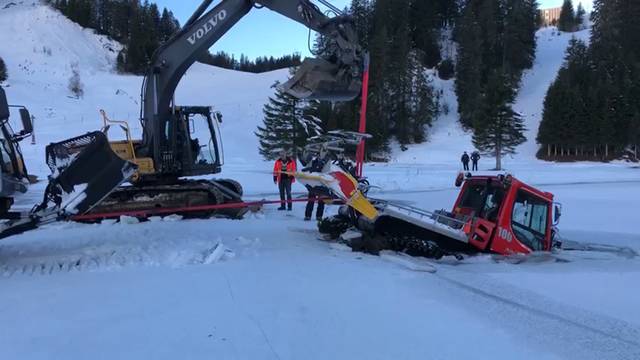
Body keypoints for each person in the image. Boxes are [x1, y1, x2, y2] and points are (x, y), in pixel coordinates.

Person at [302, 155, 326, 221]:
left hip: (322, 185)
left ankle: (319, 216)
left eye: (321, 155)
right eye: (318, 155)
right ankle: (308, 216)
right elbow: (305, 165)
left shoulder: (325, 162)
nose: (320, 156)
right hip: (313, 185)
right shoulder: (312, 162)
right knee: (311, 201)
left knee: (321, 202)